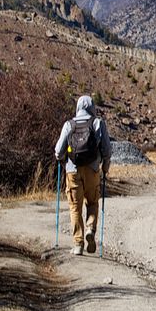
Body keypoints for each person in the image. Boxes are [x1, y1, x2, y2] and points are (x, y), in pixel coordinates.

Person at [54, 94, 111, 256]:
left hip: (72, 171)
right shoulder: (98, 123)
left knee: (75, 207)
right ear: (92, 107)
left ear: (78, 107)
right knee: (92, 202)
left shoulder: (69, 124)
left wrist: (63, 161)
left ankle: (78, 244)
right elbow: (107, 150)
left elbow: (58, 151)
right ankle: (91, 230)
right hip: (92, 170)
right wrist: (105, 167)